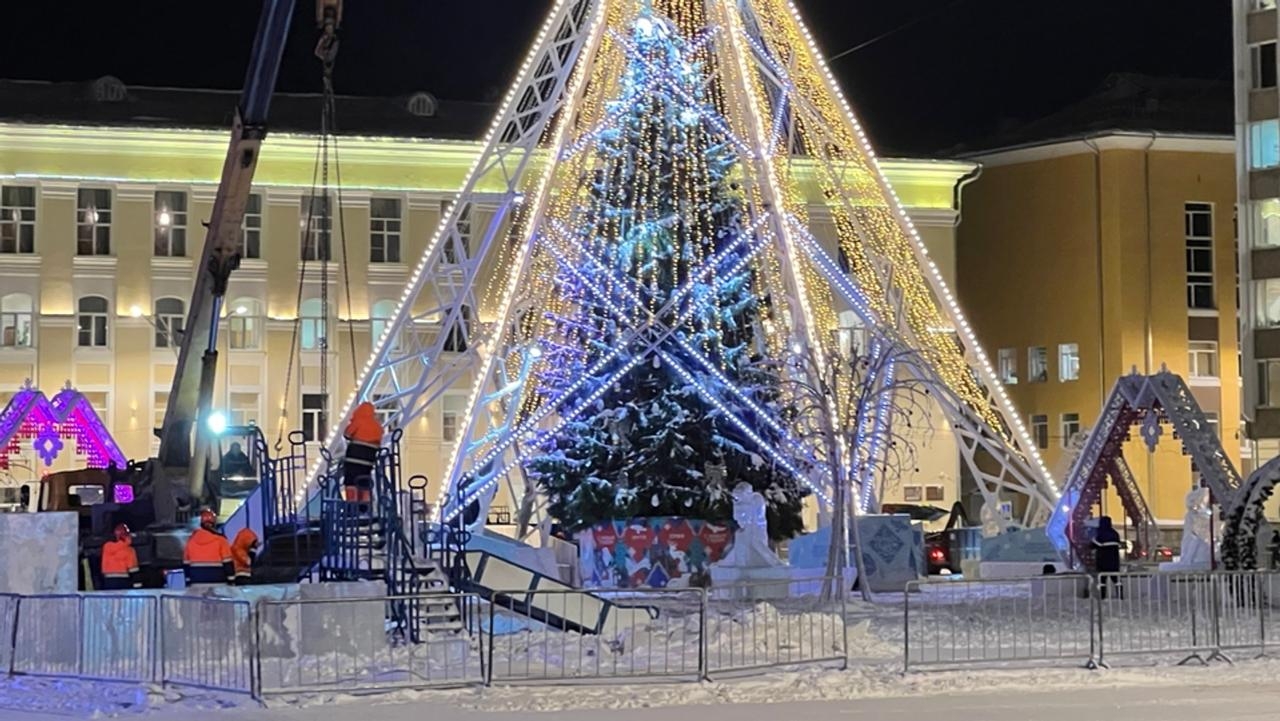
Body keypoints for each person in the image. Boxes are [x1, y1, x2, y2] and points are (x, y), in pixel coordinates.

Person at [342, 401, 383, 508]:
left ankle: (352, 505)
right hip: (369, 461)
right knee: (364, 480)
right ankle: (364, 505)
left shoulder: (358, 421)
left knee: (350, 481)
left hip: (353, 458)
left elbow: (347, 434)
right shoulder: (377, 426)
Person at [184, 508, 234, 585]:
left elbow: (186, 564)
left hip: (197, 583)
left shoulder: (191, 541)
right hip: (219, 583)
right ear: (214, 523)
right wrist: (231, 581)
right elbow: (228, 564)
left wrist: (188, 581)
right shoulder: (221, 540)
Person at [100, 523, 141, 590]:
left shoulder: (106, 547)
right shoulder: (129, 550)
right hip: (123, 580)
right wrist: (138, 586)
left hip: (108, 580)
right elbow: (133, 569)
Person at [1092, 515, 1122, 599]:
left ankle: (1102, 597)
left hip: (1102, 562)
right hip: (1114, 562)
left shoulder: (1100, 534)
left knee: (1102, 581)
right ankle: (1120, 596)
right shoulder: (1115, 534)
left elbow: (1093, 545)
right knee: (1116, 580)